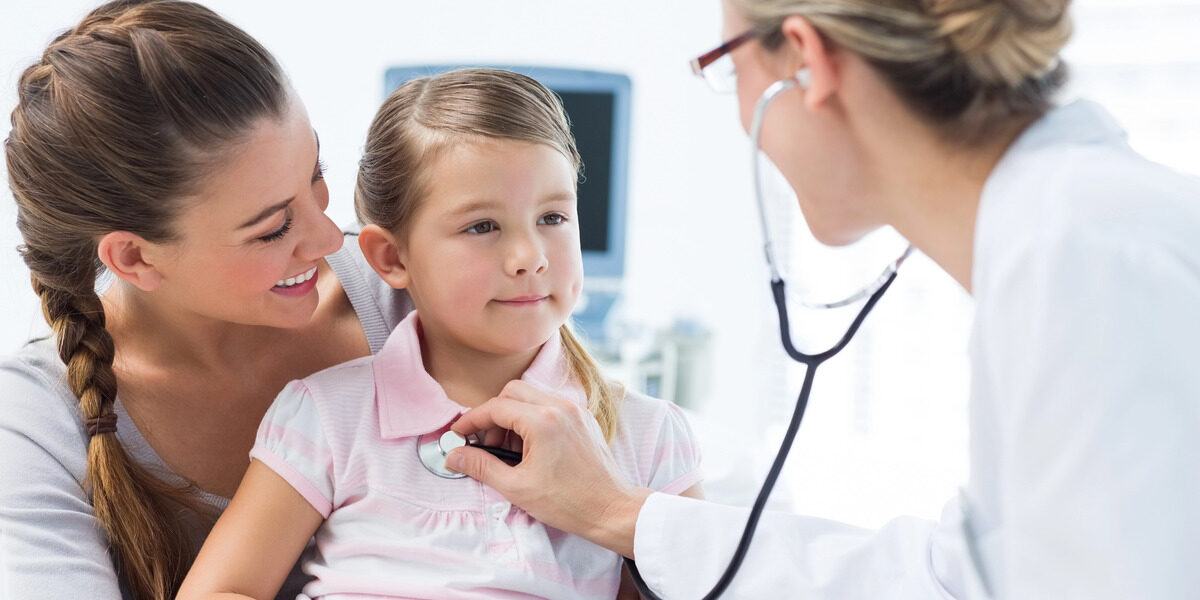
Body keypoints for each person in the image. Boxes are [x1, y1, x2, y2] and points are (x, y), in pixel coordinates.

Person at [447, 0, 1200, 598]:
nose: (740, 114)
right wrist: (617, 514)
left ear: (804, 62)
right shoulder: (1058, 237)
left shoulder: (1084, 257)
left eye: (726, 64)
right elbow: (951, 581)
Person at [174, 68, 705, 600]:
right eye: (482, 227)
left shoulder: (649, 437)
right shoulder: (325, 415)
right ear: (391, 257)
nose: (530, 257)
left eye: (553, 217)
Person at [0, 2, 412, 599]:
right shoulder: (38, 426)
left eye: (315, 173)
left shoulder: (407, 297)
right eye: (273, 228)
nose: (328, 238)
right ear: (136, 258)